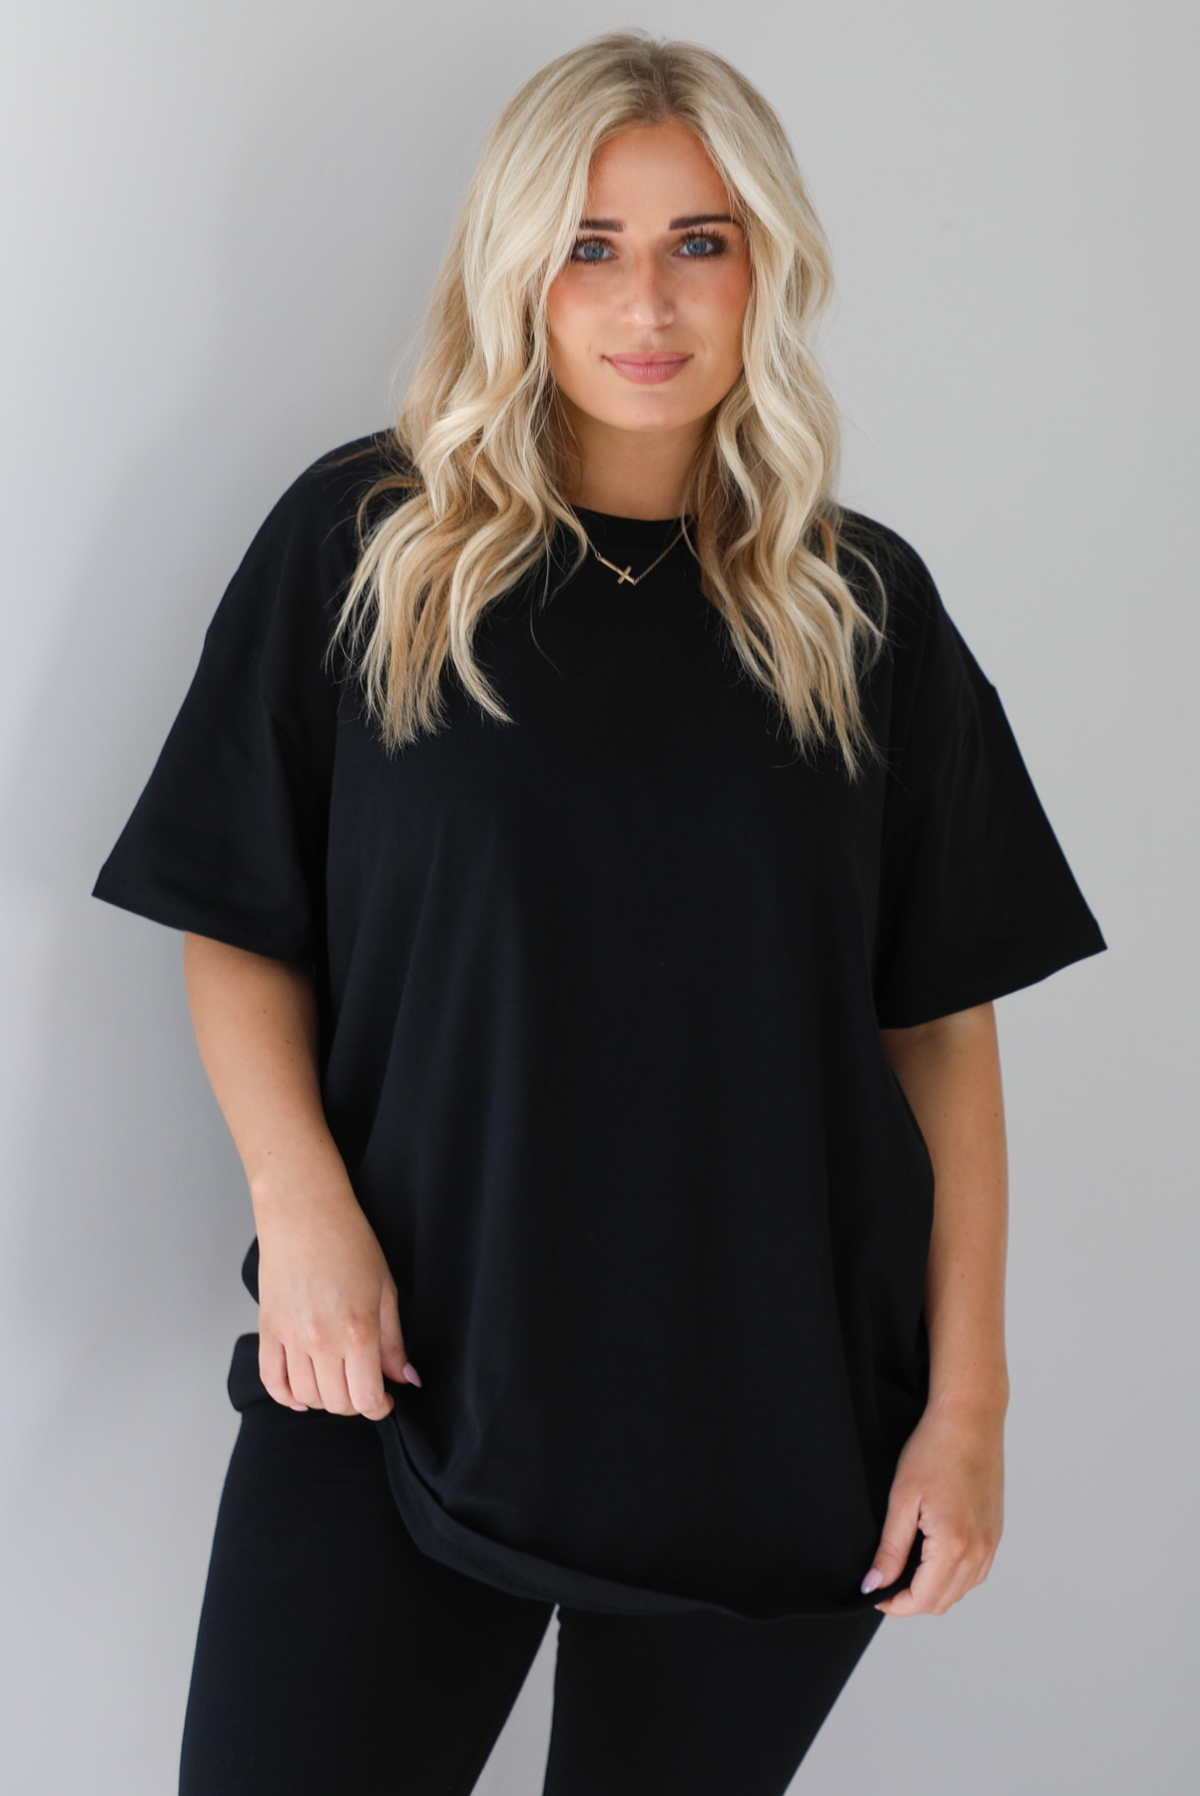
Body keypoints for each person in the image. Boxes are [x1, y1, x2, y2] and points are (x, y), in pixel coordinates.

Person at [93, 30, 1106, 1796]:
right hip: (392, 1374)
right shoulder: (369, 547)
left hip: (776, 1416)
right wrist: (304, 1213)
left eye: (699, 241)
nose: (650, 301)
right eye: (590, 243)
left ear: (764, 266)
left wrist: (971, 1410)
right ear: (515, 270)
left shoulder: (862, 611)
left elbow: (940, 1025)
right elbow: (237, 912)